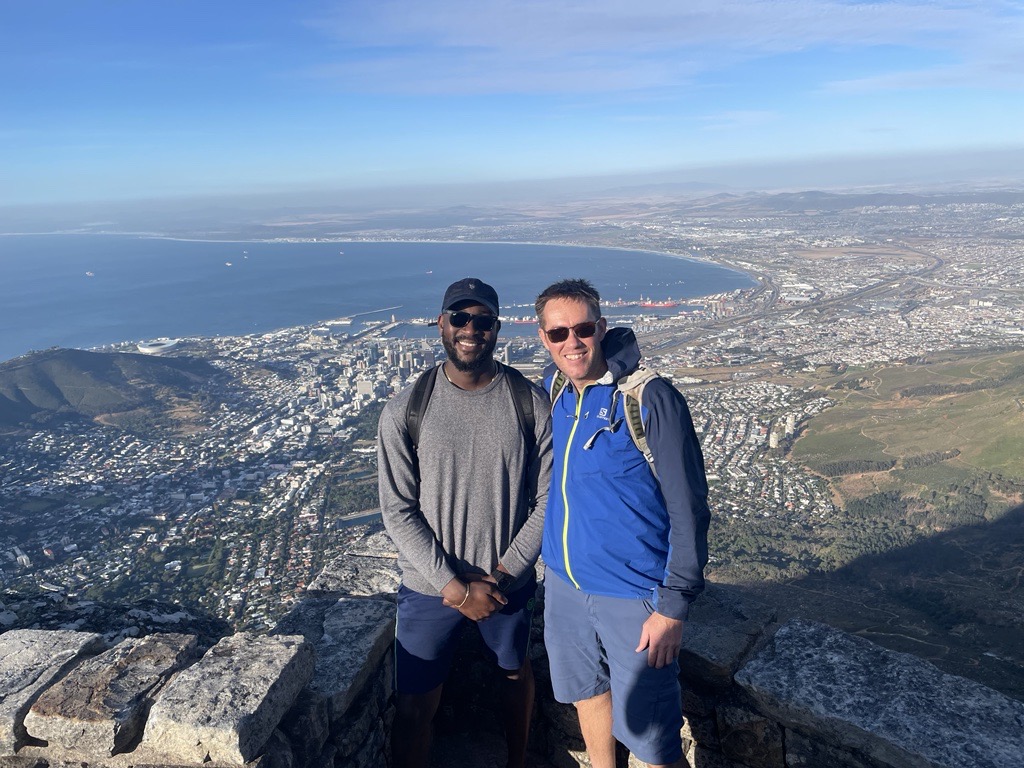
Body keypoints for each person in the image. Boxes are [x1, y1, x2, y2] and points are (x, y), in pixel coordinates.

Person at [534, 278, 710, 768]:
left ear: (602, 327)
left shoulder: (647, 398)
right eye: (557, 333)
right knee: (587, 695)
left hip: (634, 595)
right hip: (565, 587)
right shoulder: (555, 392)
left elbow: (689, 507)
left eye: (583, 328)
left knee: (653, 739)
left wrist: (673, 607)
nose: (572, 341)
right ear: (543, 339)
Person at [377, 277, 552, 768]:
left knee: (515, 676)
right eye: (460, 318)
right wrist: (453, 586)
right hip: (430, 587)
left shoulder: (529, 404)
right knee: (414, 707)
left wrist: (501, 574)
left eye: (483, 320)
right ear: (440, 324)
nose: (471, 329)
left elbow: (548, 498)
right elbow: (397, 509)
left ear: (498, 328)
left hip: (506, 583)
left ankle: (516, 762)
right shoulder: (406, 409)